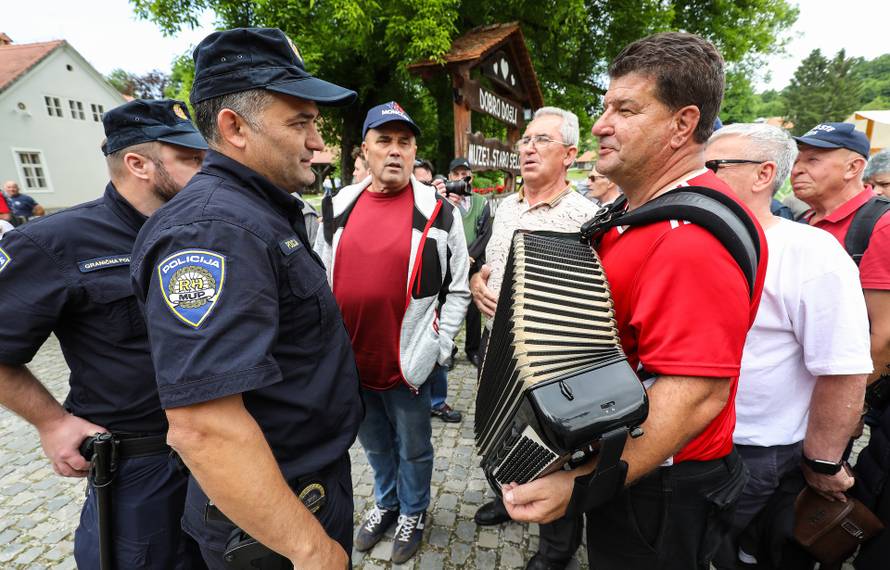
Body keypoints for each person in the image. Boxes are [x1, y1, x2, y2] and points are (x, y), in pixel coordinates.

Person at [500, 32, 768, 570]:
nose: (601, 125)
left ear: (682, 124)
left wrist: (579, 484)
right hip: (639, 467)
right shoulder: (641, 211)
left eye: (625, 109)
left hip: (663, 486)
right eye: (605, 107)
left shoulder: (689, 238)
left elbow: (696, 395)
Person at [129, 28, 363, 569]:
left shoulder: (254, 213)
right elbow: (204, 427)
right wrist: (310, 551)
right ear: (233, 127)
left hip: (299, 489)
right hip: (274, 520)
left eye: (315, 123)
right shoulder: (214, 231)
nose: (317, 142)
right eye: (300, 122)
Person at [0, 98, 208, 569]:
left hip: (223, 451)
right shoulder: (55, 241)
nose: (206, 169)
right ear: (138, 164)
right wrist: (52, 422)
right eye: (192, 159)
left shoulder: (202, 230)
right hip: (144, 469)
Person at [705, 123, 871, 568]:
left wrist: (822, 460)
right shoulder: (698, 239)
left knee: (721, 547)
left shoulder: (808, 251)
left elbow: (843, 367)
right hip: (692, 440)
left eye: (713, 167)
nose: (698, 178)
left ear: (762, 175)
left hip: (755, 449)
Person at [315, 101, 470, 563]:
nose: (395, 151)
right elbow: (321, 281)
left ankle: (415, 511)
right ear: (365, 149)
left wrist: (439, 350)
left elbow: (458, 289)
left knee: (415, 447)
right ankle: (387, 502)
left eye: (404, 142)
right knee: (375, 443)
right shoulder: (336, 208)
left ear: (414, 150)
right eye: (384, 141)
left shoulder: (439, 214)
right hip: (353, 362)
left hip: (409, 364)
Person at [470, 106, 598, 570]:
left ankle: (556, 548)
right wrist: (476, 284)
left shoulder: (588, 217)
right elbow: (484, 267)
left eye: (542, 140)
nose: (527, 148)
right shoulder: (503, 207)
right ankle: (508, 500)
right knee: (495, 434)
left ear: (569, 154)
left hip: (550, 362)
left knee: (549, 453)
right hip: (494, 349)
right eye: (525, 140)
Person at [787, 122, 890, 570]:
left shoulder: (879, 224)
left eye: (813, 159)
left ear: (853, 167)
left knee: (813, 513)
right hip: (793, 401)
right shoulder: (802, 222)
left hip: (836, 404)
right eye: (798, 158)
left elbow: (882, 334)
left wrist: (849, 413)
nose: (798, 169)